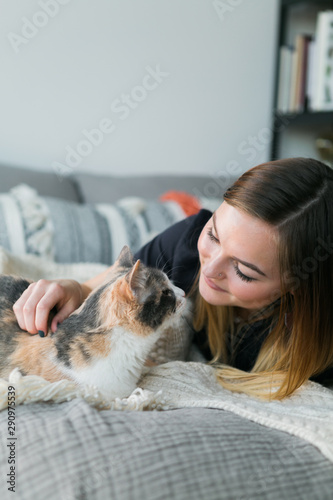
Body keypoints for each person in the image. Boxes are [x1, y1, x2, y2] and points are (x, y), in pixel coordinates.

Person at [12, 157, 333, 400]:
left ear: (296, 285)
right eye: (214, 235)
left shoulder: (318, 342)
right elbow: (104, 286)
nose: (209, 268)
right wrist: (71, 287)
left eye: (243, 271)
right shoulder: (186, 243)